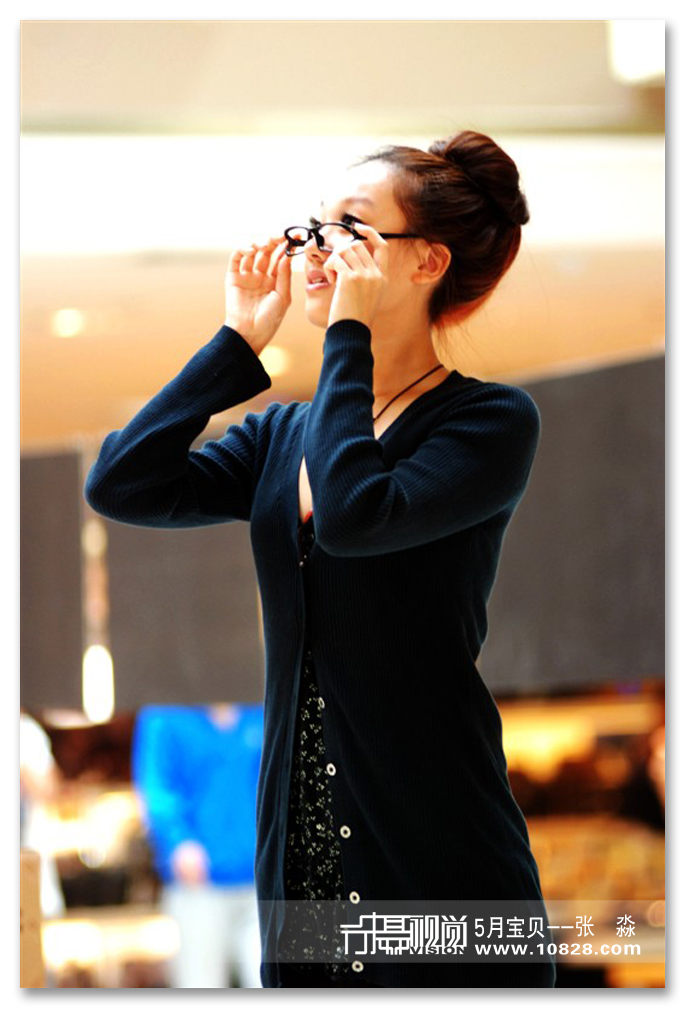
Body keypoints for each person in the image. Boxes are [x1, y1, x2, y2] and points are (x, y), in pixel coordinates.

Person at [84, 129, 556, 988]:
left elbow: (352, 512)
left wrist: (347, 335)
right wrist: (235, 342)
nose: (315, 248)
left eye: (350, 228)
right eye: (314, 226)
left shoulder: (487, 423)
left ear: (427, 262)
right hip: (298, 867)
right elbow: (121, 483)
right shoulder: (282, 435)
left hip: (437, 856)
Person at [132, 704, 263, 988]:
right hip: (199, 884)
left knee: (277, 981)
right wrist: (178, 842)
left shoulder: (261, 707)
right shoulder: (166, 713)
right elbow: (156, 788)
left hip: (262, 883)